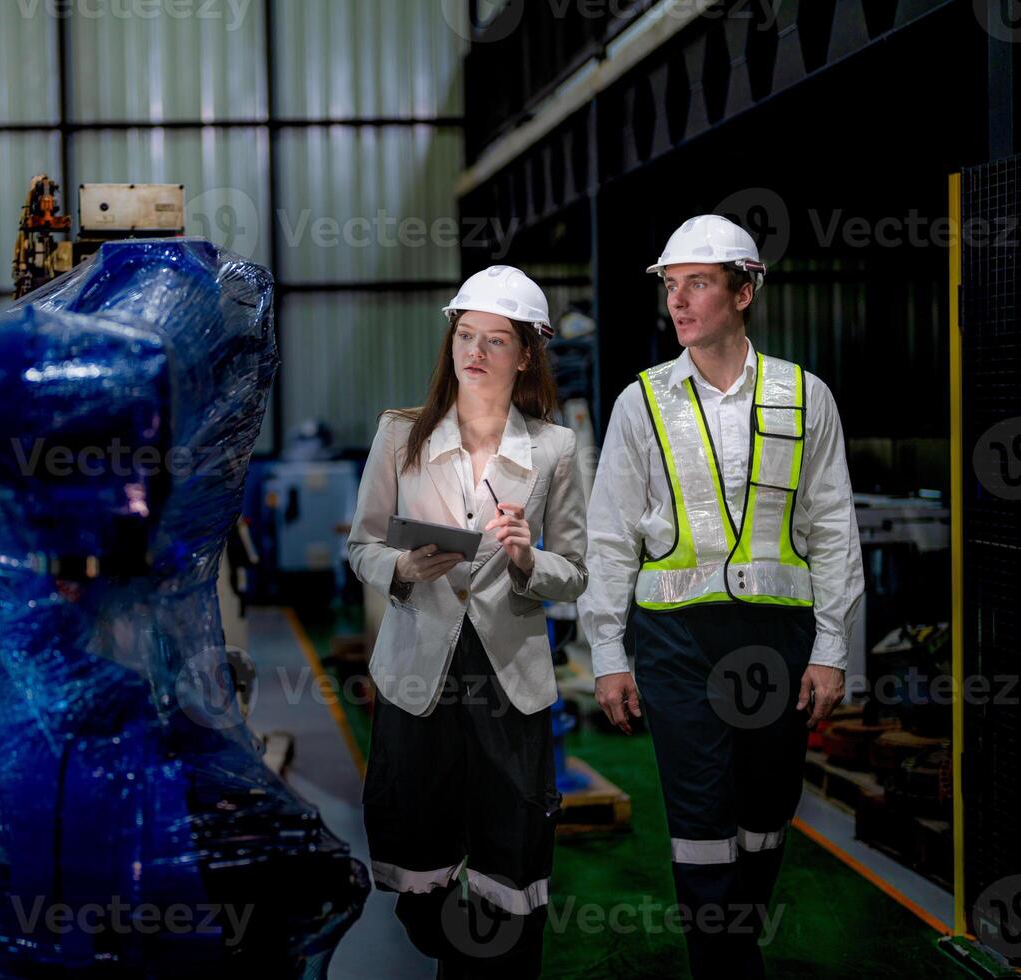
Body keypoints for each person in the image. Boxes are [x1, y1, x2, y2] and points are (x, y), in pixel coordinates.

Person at [577, 214, 863, 978]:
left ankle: (735, 946)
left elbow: (834, 529)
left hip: (778, 640)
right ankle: (724, 968)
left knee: (767, 816)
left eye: (697, 284)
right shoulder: (642, 403)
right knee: (701, 820)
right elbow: (609, 539)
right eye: (672, 286)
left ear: (744, 291)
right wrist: (608, 652)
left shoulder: (807, 397)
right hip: (675, 641)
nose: (679, 301)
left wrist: (833, 651)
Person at [347, 265, 589, 978]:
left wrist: (527, 558)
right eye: (464, 335)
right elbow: (361, 544)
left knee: (511, 865)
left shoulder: (552, 449)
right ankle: (455, 948)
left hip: (506, 681)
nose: (474, 351)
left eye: (495, 339)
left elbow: (574, 569)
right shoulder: (401, 437)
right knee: (415, 867)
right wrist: (400, 569)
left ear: (526, 354)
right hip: (418, 675)